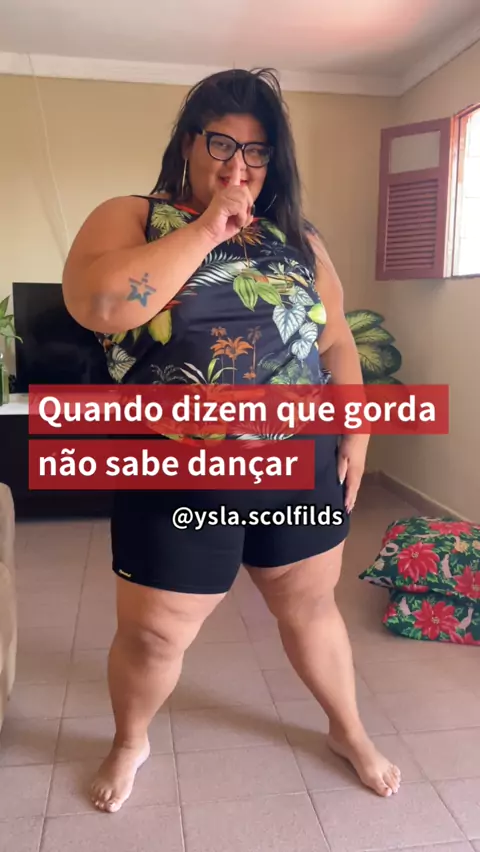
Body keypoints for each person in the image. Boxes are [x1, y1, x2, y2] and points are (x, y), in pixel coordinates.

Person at [62, 67, 401, 812]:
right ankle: (130, 741)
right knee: (156, 637)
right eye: (220, 143)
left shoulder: (300, 239)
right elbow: (101, 304)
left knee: (311, 606)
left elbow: (336, 339)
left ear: (274, 160)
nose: (236, 165)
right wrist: (208, 228)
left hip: (297, 462)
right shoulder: (134, 216)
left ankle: (347, 728)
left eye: (255, 150)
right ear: (190, 143)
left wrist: (357, 427)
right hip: (175, 467)